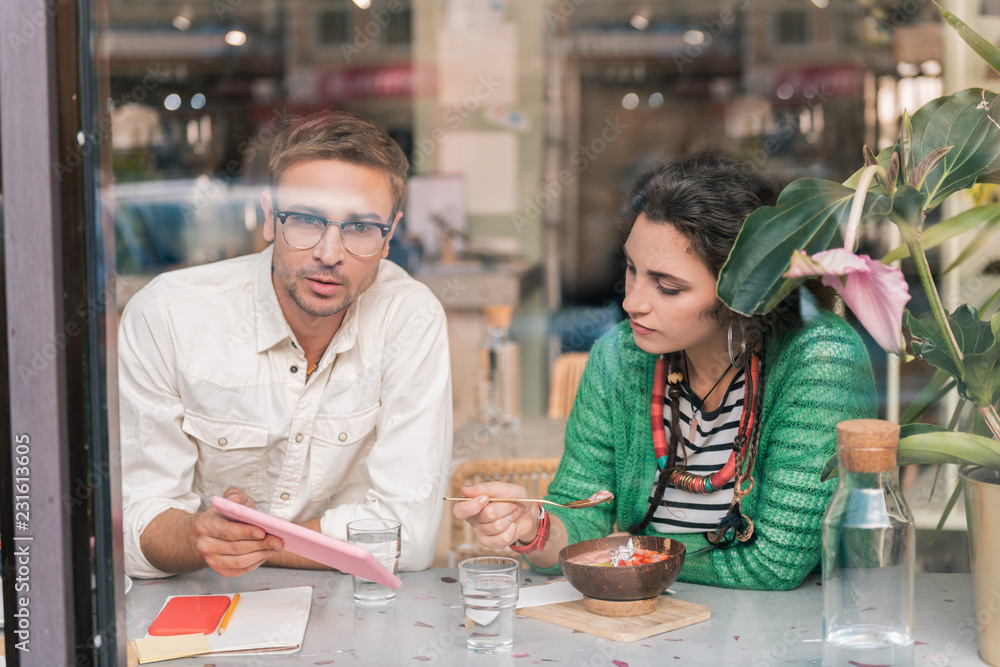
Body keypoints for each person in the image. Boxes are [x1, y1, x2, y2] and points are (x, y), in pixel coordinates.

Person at [454, 153, 876, 591]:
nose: (632, 302)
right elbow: (580, 521)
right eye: (631, 270)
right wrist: (533, 526)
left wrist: (631, 548)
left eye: (667, 287)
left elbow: (772, 561)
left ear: (744, 288)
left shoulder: (820, 359)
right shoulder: (620, 356)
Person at [120, 111, 452, 579]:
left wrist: (251, 540)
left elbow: (407, 539)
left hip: (356, 620)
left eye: (359, 228)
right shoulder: (166, 316)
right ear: (269, 218)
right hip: (204, 610)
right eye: (306, 220)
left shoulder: (409, 318)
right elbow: (138, 529)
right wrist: (200, 535)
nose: (329, 253)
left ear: (389, 237)